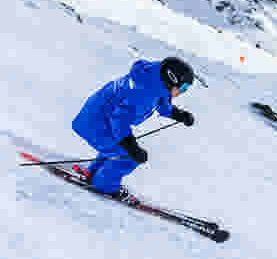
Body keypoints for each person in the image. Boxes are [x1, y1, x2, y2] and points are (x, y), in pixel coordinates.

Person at [71, 57, 197, 198]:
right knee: (127, 157)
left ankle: (94, 173)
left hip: (102, 117)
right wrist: (132, 148)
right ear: (172, 79)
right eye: (184, 87)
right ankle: (104, 186)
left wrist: (180, 115)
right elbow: (120, 120)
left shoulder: (156, 80)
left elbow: (163, 104)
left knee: (118, 147)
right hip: (94, 122)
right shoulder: (144, 92)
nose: (184, 91)